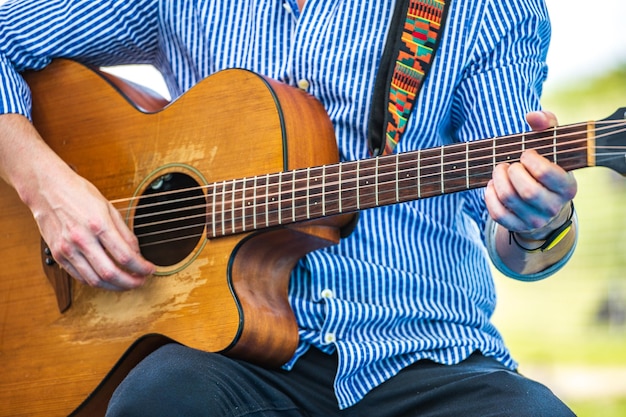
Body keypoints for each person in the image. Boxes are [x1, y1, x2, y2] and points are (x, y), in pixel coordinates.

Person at [0, 0, 579, 416]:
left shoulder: (488, 8)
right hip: (227, 354)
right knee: (158, 399)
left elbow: (512, 233)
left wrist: (540, 225)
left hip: (425, 353)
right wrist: (47, 188)